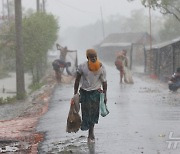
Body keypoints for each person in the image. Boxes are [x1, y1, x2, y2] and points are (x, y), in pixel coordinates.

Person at [74, 49, 107, 142]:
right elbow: (77, 80)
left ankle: (91, 132)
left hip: (96, 93)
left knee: (94, 113)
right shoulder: (82, 67)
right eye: (91, 57)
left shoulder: (101, 67)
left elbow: (104, 82)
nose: (93, 58)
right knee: (86, 113)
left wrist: (105, 95)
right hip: (84, 93)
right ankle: (88, 128)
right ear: (87, 57)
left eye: (95, 57)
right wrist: (75, 93)